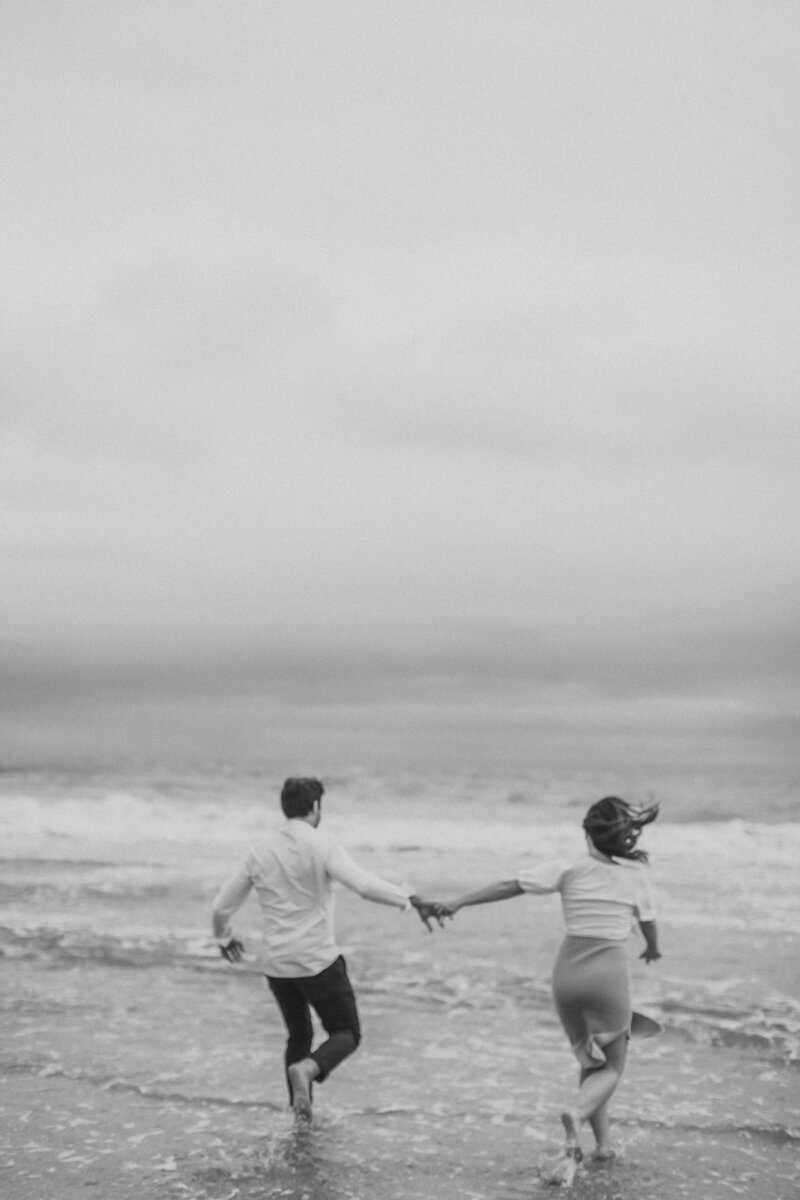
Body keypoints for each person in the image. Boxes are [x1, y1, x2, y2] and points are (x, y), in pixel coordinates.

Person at [431, 796, 661, 1181]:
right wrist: (653, 948)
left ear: (587, 832)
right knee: (614, 1066)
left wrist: (458, 902)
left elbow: (512, 885)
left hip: (567, 974)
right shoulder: (635, 877)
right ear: (624, 836)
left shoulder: (568, 867)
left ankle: (601, 1145)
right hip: (607, 972)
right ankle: (577, 1113)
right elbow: (650, 924)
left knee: (592, 1062)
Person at [211, 776, 439, 1121]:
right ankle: (308, 1071)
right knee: (347, 1032)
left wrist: (224, 937)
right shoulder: (322, 845)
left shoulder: (259, 852)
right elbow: (362, 885)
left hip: (277, 965)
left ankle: (300, 1114)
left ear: (285, 808)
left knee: (298, 1034)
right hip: (317, 960)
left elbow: (221, 906)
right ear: (316, 807)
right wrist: (407, 899)